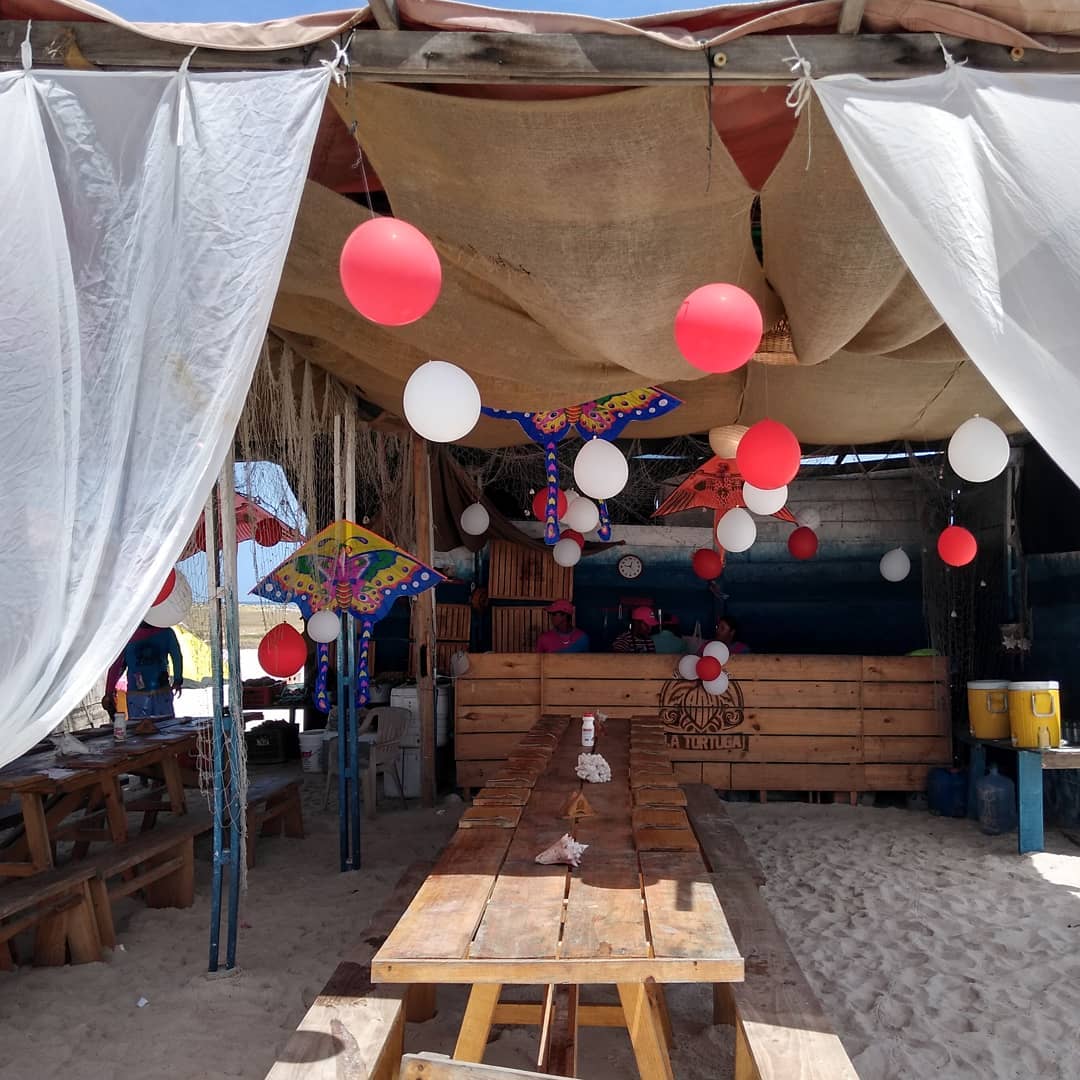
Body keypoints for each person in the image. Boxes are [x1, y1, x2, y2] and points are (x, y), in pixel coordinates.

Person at [102, 622, 183, 720]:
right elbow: (177, 656)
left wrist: (109, 691)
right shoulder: (166, 632)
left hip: (138, 696)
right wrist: (178, 680)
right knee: (165, 726)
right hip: (160, 693)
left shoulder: (126, 636)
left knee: (140, 728)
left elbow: (117, 665)